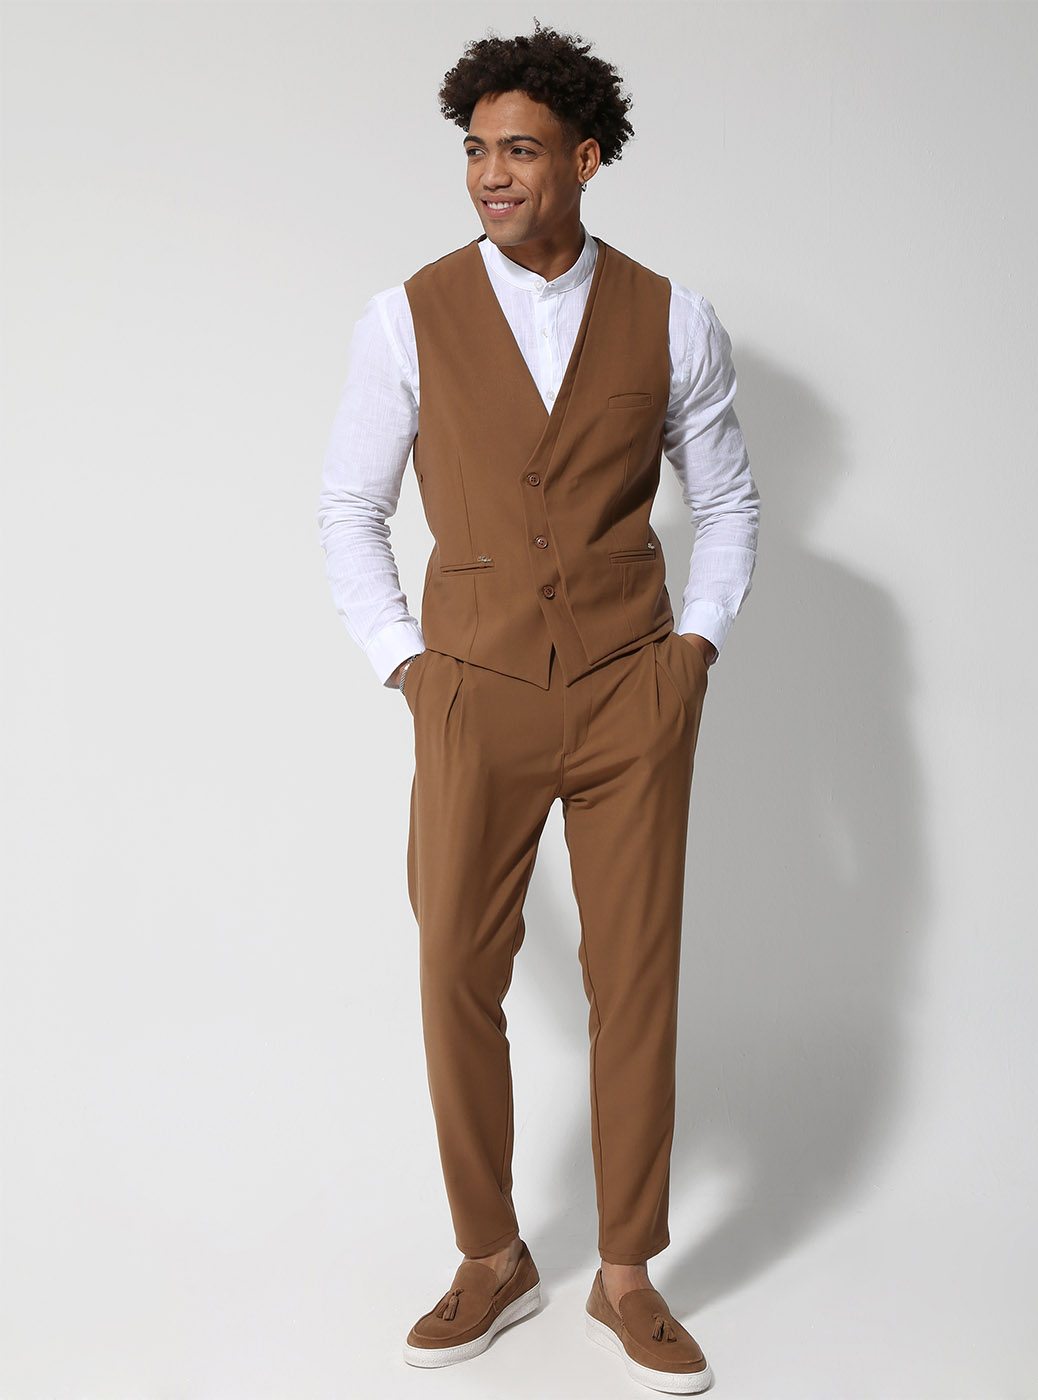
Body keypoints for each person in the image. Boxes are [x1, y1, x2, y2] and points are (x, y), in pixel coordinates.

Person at [317, 21, 759, 1394]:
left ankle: (626, 1273)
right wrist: (408, 663)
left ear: (586, 158)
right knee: (456, 965)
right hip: (472, 687)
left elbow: (728, 501)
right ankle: (491, 1254)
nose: (490, 175)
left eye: (518, 150)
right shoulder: (405, 316)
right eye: (474, 151)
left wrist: (693, 649)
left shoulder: (673, 316)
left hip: (634, 686)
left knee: (634, 979)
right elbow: (348, 507)